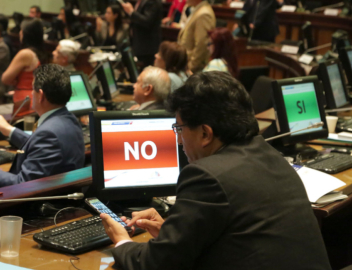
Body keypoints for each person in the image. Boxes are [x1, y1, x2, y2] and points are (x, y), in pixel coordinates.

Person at [99, 71, 332, 270]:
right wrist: (172, 233)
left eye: (179, 129)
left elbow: (157, 264)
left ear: (205, 134)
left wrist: (122, 243)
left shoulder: (206, 175)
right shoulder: (271, 156)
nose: (179, 141)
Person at [0, 64, 85, 188]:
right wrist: (9, 130)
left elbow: (24, 184)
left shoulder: (49, 133)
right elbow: (38, 144)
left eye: (32, 89)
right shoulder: (69, 119)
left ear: (40, 95)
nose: (31, 93)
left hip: (33, 203)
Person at [2, 19, 42, 104]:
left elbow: (5, 79)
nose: (20, 32)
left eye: (22, 30)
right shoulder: (39, 52)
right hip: (33, 96)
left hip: (24, 98)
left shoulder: (25, 54)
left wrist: (16, 81)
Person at [121, 0, 163, 67]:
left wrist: (131, 12)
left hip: (147, 47)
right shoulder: (142, 1)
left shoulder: (153, 1)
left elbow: (147, 21)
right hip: (138, 44)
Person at [177, 0, 216, 73]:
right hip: (185, 63)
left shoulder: (204, 13)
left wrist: (191, 67)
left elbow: (202, 44)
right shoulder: (198, 9)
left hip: (192, 68)